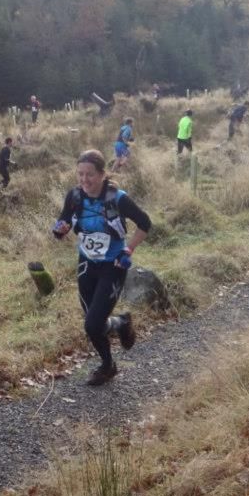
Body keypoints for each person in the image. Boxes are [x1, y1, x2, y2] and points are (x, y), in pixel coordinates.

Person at [52, 150, 152, 386]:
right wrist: (60, 230)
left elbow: (145, 224)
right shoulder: (74, 196)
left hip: (113, 265)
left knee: (92, 324)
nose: (84, 179)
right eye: (80, 174)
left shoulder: (118, 198)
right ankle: (118, 332)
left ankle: (109, 360)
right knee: (93, 324)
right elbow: (63, 222)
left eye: (90, 174)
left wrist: (128, 249)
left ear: (102, 174)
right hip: (87, 264)